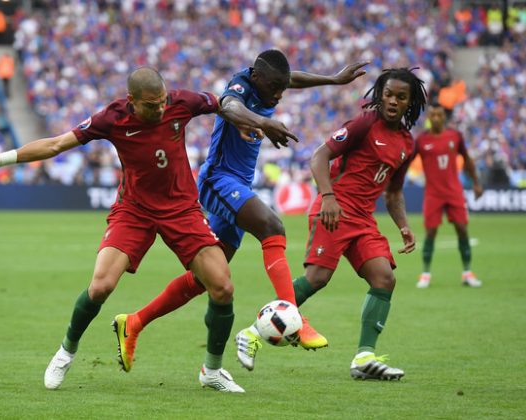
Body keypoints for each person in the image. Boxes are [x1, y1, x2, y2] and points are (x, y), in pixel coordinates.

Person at [0, 67, 280, 393]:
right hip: (134, 211)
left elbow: (223, 103)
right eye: (152, 105)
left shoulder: (181, 102)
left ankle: (211, 371)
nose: (161, 109)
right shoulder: (111, 118)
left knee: (222, 287)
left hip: (181, 209)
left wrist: (245, 122)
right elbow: (56, 144)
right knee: (101, 286)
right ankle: (66, 351)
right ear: (132, 101)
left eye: (163, 101)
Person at [113, 50, 368, 374]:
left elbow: (291, 79)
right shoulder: (241, 86)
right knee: (272, 226)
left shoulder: (269, 84)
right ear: (256, 77)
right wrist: (262, 121)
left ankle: (134, 322)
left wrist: (333, 79)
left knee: (205, 280)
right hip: (218, 180)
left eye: (282, 88)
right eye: (274, 87)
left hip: (238, 183)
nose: (279, 94)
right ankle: (294, 317)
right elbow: (229, 105)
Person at [239, 67, 427, 380]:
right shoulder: (365, 123)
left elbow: (393, 192)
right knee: (317, 278)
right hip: (334, 209)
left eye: (401, 97)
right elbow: (319, 156)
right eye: (388, 94)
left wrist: (403, 226)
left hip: (363, 219)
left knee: (384, 278)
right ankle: (251, 334)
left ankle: (364, 358)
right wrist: (328, 196)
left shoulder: (408, 144)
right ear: (380, 96)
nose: (394, 101)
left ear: (411, 102)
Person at [415, 103, 484, 288]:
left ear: (444, 117)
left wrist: (476, 183)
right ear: (428, 118)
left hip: (454, 192)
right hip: (433, 193)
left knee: (462, 229)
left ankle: (467, 273)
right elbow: (405, 162)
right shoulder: (421, 140)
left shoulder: (455, 136)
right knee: (431, 232)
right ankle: (425, 274)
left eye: (439, 115)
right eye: (433, 115)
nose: (436, 118)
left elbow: (467, 159)